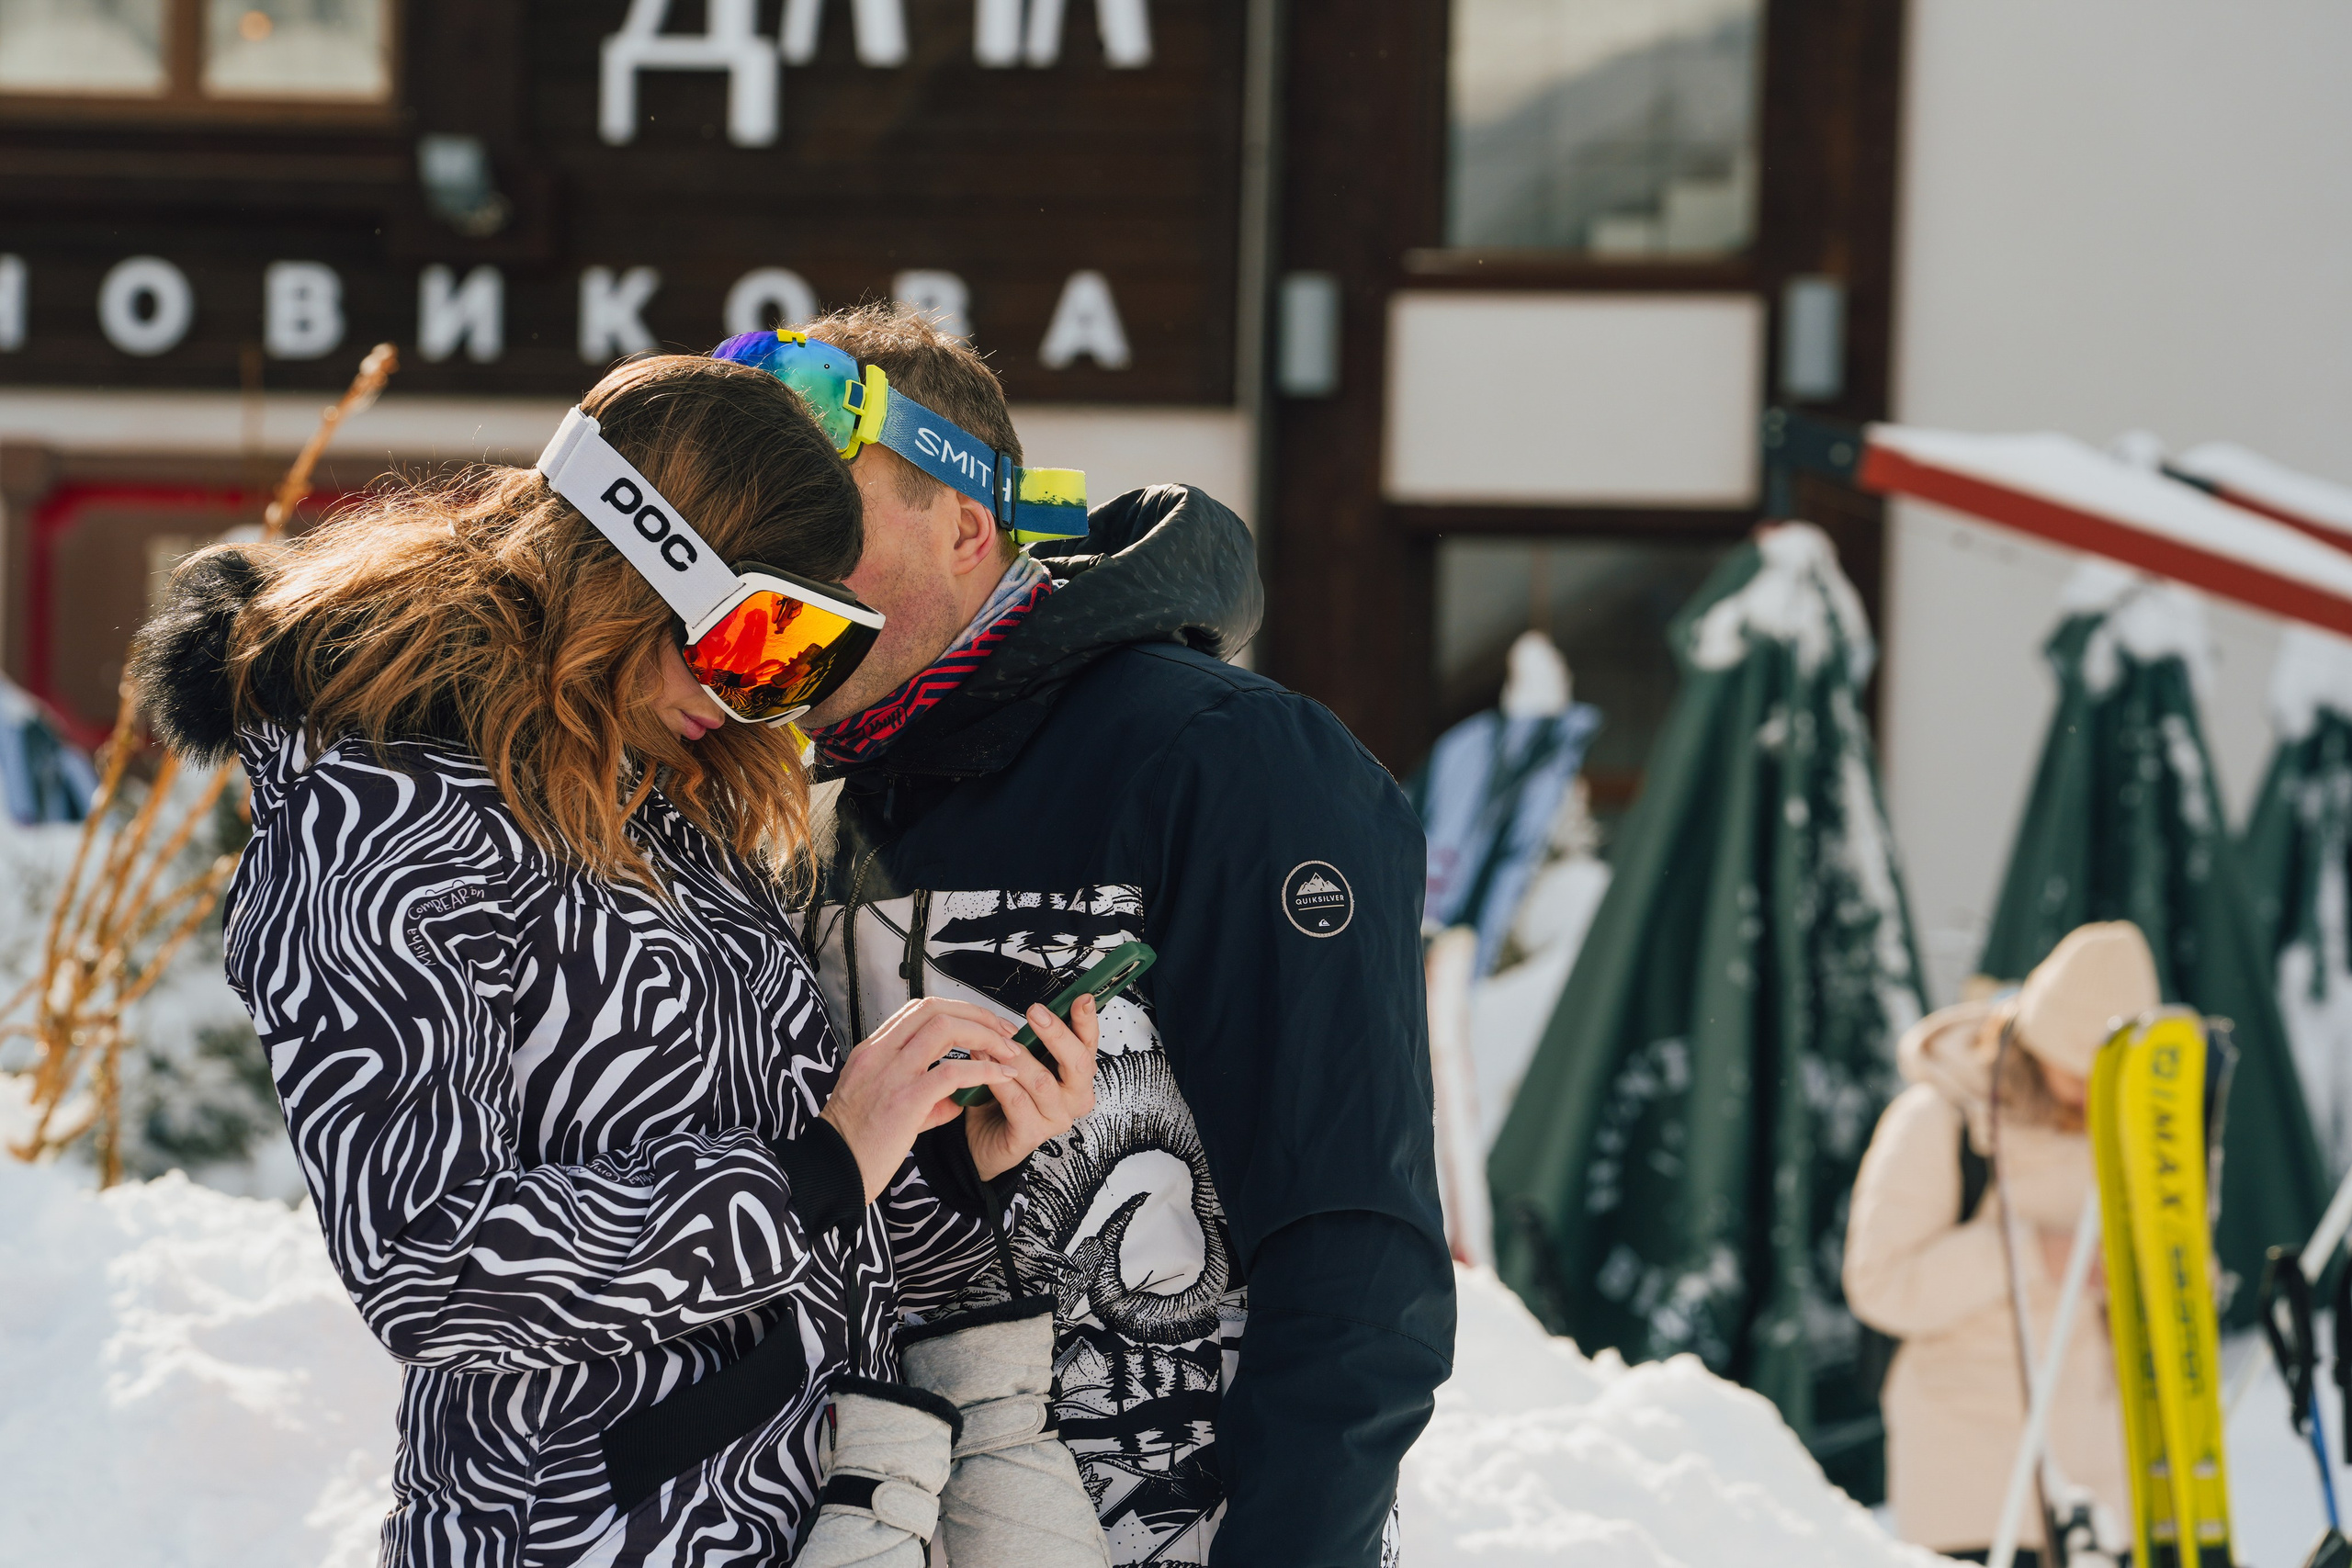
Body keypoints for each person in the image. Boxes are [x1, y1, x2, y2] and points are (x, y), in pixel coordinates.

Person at [128, 354, 1101, 1568]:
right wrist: (814, 1168)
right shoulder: (378, 813)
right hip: (575, 1531)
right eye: (760, 632)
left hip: (792, 1513)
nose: (762, 692)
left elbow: (770, 1164)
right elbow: (429, 1261)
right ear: (646, 565)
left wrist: (943, 1159)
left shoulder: (655, 785)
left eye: (807, 651)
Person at [712, 306, 1456, 1568]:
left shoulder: (1225, 759)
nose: (776, 568)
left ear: (963, 520)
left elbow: (1352, 1249)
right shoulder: (812, 802)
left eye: (820, 520)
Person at [1843, 921, 2159, 1564]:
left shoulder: (2128, 1133)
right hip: (1969, 1476)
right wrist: (2031, 1254)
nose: (2086, 1092)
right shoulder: (1939, 1119)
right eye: (2076, 1072)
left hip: (2099, 1475)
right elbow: (1879, 1282)